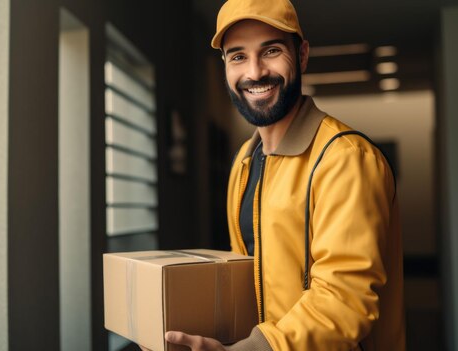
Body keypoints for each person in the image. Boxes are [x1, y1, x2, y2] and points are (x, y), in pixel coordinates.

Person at [164, 0, 406, 349]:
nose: (255, 72)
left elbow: (344, 300)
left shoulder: (346, 159)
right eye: (237, 56)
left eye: (272, 50)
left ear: (302, 55)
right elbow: (247, 286)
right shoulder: (245, 162)